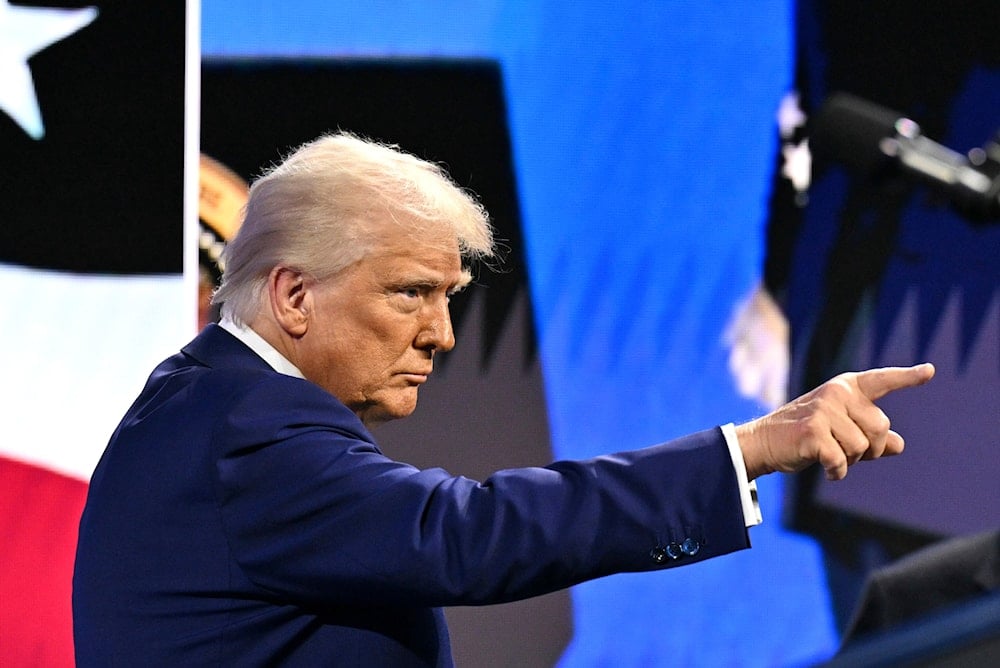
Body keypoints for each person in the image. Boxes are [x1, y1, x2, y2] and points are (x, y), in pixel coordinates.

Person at [72, 132, 935, 667]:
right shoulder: (243, 424)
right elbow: (467, 534)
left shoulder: (204, 406)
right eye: (411, 293)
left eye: (449, 298)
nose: (442, 334)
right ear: (293, 295)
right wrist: (748, 450)